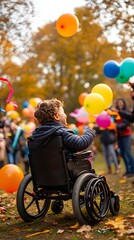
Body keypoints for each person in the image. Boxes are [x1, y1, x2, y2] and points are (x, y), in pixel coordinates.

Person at [28, 98, 95, 162]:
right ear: (56, 116)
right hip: (68, 171)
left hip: (45, 173)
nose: (65, 115)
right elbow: (80, 143)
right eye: (63, 112)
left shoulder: (34, 137)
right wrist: (89, 131)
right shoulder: (62, 133)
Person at [112, 98, 134, 177]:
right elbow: (113, 123)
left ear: (124, 103)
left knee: (127, 152)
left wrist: (116, 126)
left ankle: (132, 170)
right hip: (119, 136)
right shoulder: (115, 113)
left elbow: (127, 123)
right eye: (118, 103)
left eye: (121, 102)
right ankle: (128, 170)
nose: (120, 104)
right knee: (122, 153)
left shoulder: (126, 112)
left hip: (126, 135)